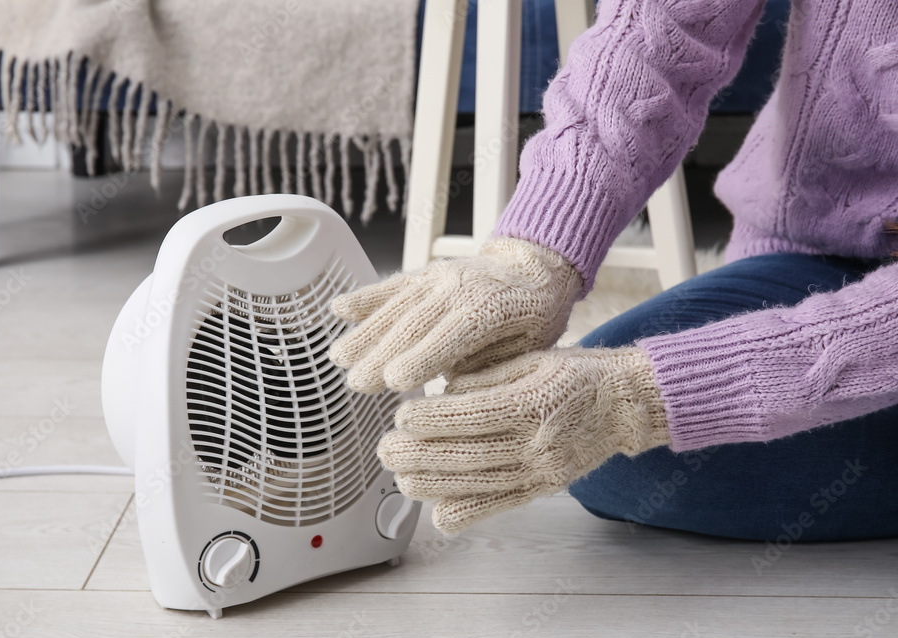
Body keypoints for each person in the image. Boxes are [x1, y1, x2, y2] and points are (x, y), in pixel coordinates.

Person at [329, 0, 898, 540]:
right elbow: (661, 32)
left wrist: (634, 400)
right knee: (582, 413)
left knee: (622, 455)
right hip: (806, 243)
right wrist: (535, 254)